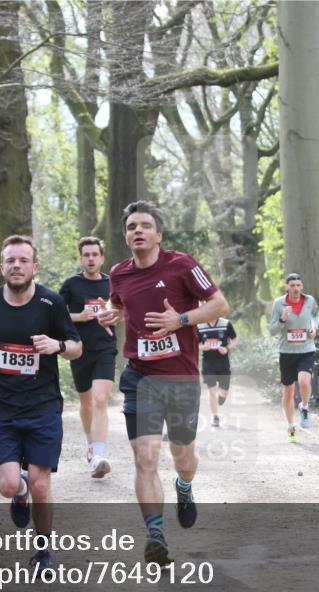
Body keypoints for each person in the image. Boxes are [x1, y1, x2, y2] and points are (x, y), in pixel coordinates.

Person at [98, 201, 229, 565]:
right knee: (145, 457)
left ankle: (184, 486)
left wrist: (181, 319)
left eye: (145, 225)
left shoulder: (181, 265)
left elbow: (220, 305)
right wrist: (113, 314)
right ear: (126, 236)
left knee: (182, 456)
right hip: (139, 376)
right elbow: (122, 306)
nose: (137, 231)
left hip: (181, 376)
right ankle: (155, 534)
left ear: (159, 235)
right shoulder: (119, 274)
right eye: (131, 227)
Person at [0, 235, 82, 572]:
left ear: (35, 266)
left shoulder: (51, 303)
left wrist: (56, 345)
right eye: (10, 261)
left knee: (42, 482)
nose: (16, 266)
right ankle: (19, 493)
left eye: (23, 260)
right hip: (1, 409)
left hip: (43, 407)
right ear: (2, 267)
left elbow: (77, 346)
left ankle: (44, 551)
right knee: (7, 484)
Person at [58, 236, 117, 478]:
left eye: (95, 254)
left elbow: (125, 311)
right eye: (86, 255)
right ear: (81, 258)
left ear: (102, 258)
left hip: (105, 348)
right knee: (86, 404)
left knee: (101, 399)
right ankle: (91, 447)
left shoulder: (113, 284)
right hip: (80, 350)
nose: (91, 258)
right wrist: (79, 317)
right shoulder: (71, 285)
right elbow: (55, 316)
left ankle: (100, 455)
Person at [269, 272, 319, 442]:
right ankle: (291, 426)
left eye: (298, 285)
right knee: (289, 390)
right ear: (287, 287)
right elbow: (272, 330)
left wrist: (314, 328)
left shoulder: (310, 301)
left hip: (306, 349)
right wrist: (282, 320)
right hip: (287, 352)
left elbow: (315, 316)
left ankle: (304, 407)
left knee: (305, 382)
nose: (296, 289)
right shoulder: (278, 304)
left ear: (302, 286)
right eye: (292, 286)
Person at [197, 316, 238, 427]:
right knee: (212, 390)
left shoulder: (225, 323)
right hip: (208, 362)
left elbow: (235, 339)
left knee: (224, 391)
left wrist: (227, 348)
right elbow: (196, 343)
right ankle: (215, 416)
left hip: (223, 362)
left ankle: (223, 396)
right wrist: (202, 347)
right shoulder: (200, 325)